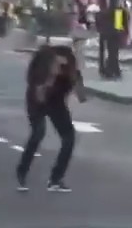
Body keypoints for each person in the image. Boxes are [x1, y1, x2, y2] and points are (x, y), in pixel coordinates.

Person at [16, 45, 86, 192]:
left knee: (69, 138)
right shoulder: (42, 72)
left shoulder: (70, 70)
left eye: (63, 64)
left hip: (56, 103)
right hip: (37, 101)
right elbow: (40, 98)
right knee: (38, 133)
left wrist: (77, 81)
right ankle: (22, 171)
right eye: (57, 64)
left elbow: (82, 97)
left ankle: (56, 179)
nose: (60, 67)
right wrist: (51, 78)